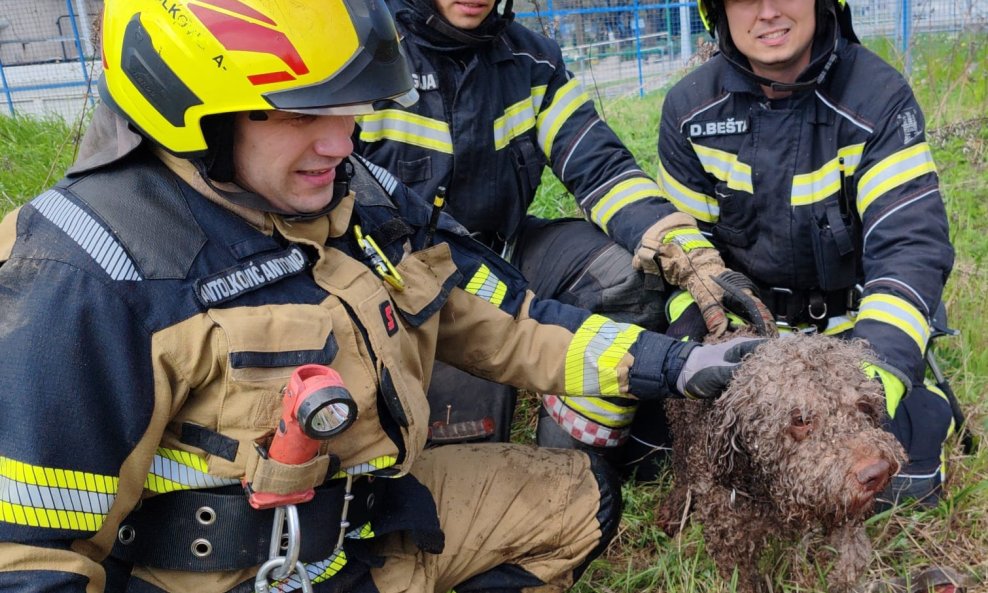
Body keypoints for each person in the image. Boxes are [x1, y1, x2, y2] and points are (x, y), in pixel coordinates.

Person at [0, 1, 759, 591]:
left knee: (579, 500)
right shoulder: (82, 273)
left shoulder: (358, 196)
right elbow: (29, 557)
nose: (342, 141)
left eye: (347, 106)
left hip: (369, 528)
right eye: (300, 112)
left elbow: (512, 322)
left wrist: (681, 364)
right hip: (235, 572)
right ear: (186, 106)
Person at [352, 0, 775, 476]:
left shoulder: (532, 61)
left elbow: (601, 167)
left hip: (503, 253)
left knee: (630, 277)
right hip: (396, 282)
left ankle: (573, 460)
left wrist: (687, 252)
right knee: (455, 448)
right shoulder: (365, 56)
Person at [655, 0, 956, 505]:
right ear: (717, 10)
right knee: (655, 454)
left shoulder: (879, 97)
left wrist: (871, 382)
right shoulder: (689, 109)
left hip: (851, 341)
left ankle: (921, 411)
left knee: (904, 483)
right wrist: (707, 351)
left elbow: (911, 247)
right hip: (751, 342)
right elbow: (685, 254)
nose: (768, 11)